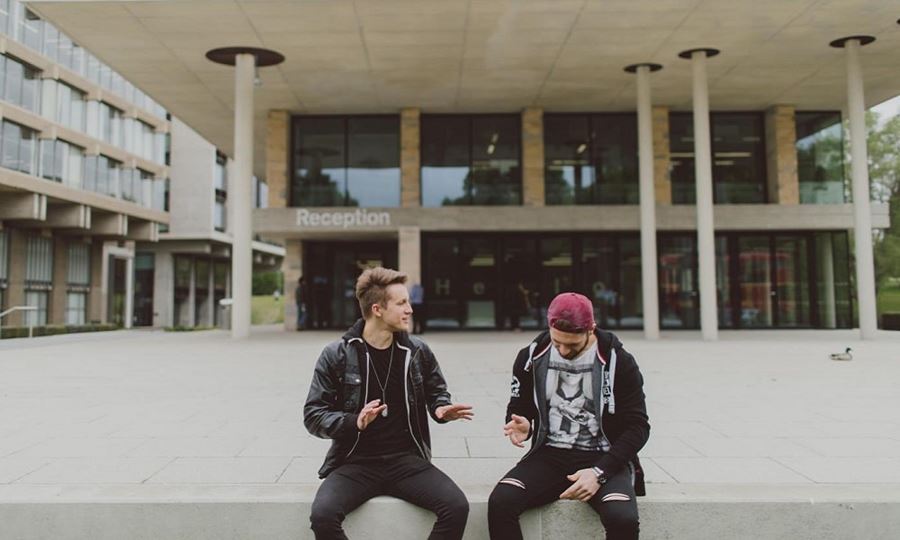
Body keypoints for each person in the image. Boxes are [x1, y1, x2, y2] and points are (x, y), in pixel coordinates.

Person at [304, 266, 473, 540]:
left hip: (406, 461)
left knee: (456, 506)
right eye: (402, 303)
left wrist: (441, 409)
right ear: (377, 309)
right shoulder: (336, 354)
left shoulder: (417, 351)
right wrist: (353, 421)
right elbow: (313, 415)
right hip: (354, 463)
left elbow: (436, 392)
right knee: (323, 516)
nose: (410, 309)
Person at [488, 292, 649, 540]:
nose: (562, 350)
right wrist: (523, 424)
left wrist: (598, 472)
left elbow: (638, 427)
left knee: (622, 519)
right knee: (501, 502)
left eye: (572, 345)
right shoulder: (530, 357)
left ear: (591, 329)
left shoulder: (619, 362)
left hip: (604, 458)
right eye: (556, 342)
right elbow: (519, 405)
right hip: (550, 456)